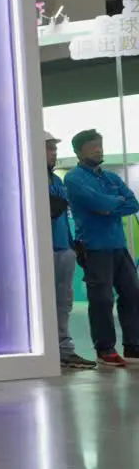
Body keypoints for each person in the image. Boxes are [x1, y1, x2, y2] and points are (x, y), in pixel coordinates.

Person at [63, 128, 139, 368]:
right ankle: (105, 349)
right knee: (102, 299)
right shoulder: (74, 178)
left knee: (133, 295)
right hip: (94, 248)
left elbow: (133, 203)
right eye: (93, 145)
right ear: (78, 151)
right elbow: (95, 202)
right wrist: (112, 202)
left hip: (118, 246)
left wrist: (109, 206)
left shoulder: (111, 178)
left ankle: (134, 346)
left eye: (100, 144)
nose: (99, 149)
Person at [47, 132, 95, 369]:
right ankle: (47, 350)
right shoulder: (29, 180)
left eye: (54, 149)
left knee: (64, 302)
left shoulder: (56, 182)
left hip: (64, 249)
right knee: (46, 303)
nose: (53, 153)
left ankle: (65, 349)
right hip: (43, 252)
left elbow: (63, 218)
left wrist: (73, 244)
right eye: (49, 149)